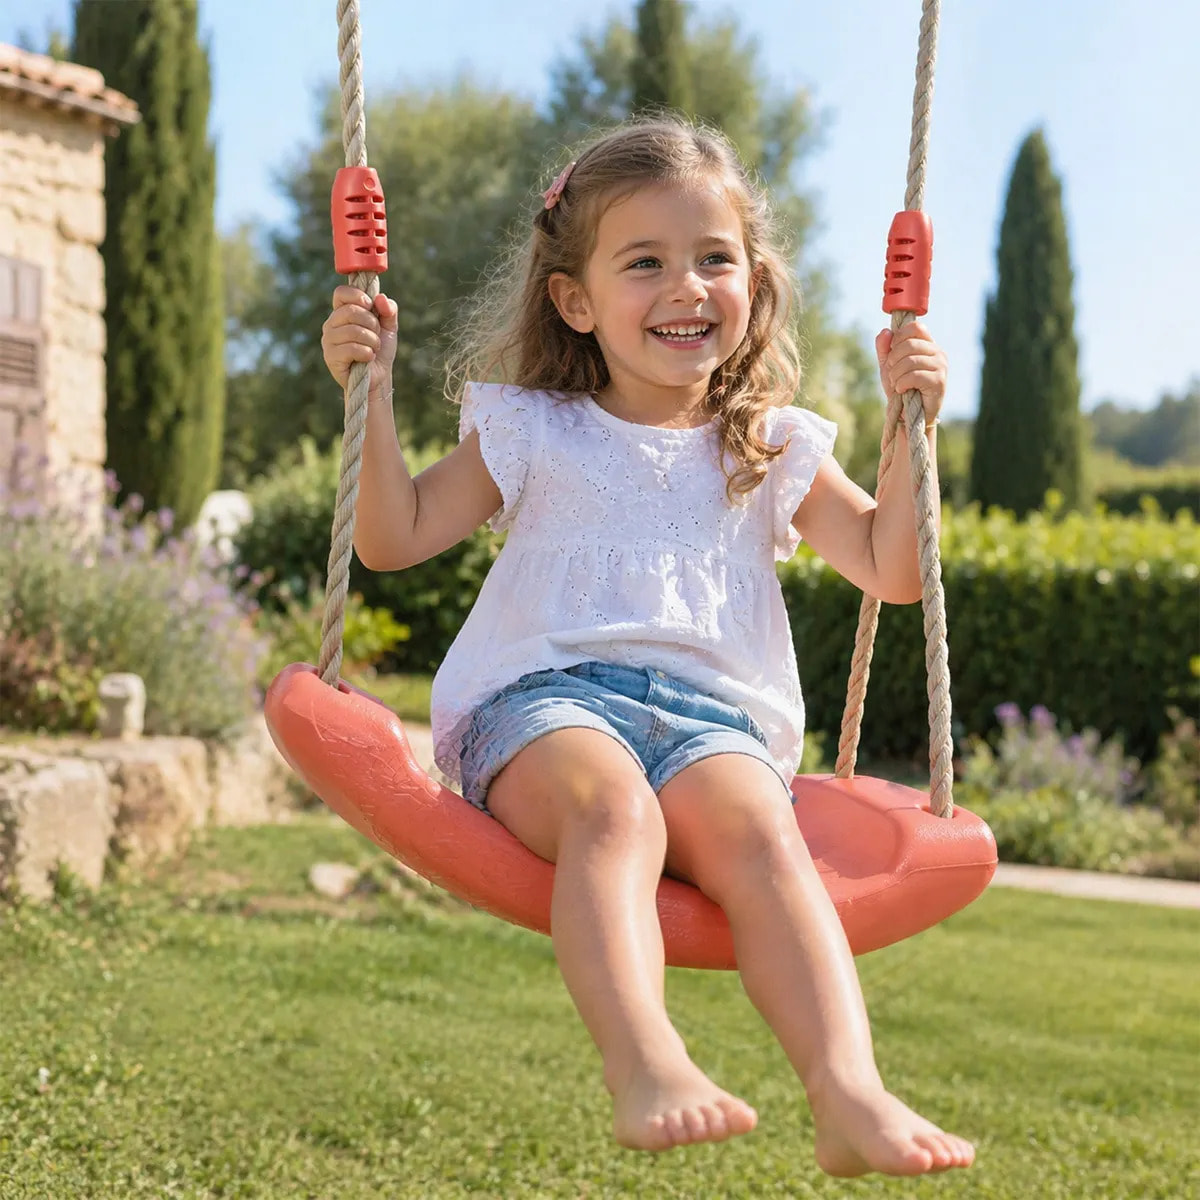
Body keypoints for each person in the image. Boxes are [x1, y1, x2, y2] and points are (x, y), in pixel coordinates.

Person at [320, 117, 973, 1178]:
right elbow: (391, 538)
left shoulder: (771, 444)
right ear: (575, 300)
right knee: (613, 809)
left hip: (714, 726)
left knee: (765, 834)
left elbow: (891, 571)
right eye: (646, 263)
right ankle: (648, 1062)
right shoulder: (534, 430)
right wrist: (372, 387)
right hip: (540, 704)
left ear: (753, 283)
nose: (687, 286)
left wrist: (912, 428)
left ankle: (849, 1094)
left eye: (716, 258)